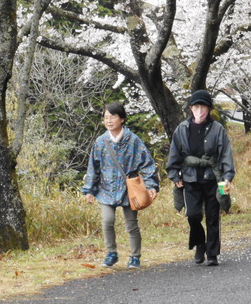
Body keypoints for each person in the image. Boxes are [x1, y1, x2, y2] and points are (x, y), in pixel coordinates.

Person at [82, 102, 159, 269]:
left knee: (131, 223)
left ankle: (135, 256)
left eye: (113, 117)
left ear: (122, 119)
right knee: (107, 221)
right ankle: (111, 253)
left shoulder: (133, 141)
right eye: (106, 118)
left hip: (128, 189)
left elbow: (147, 164)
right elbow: (93, 167)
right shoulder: (101, 142)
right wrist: (89, 190)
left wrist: (152, 185)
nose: (109, 121)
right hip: (106, 188)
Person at [167, 90, 235, 266]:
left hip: (213, 178)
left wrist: (227, 177)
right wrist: (174, 175)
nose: (200, 110)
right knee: (193, 215)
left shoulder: (217, 129)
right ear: (191, 108)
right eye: (196, 106)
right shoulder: (181, 129)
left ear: (209, 109)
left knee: (213, 217)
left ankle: (212, 253)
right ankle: (200, 243)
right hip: (190, 178)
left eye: (203, 106)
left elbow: (225, 154)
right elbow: (174, 154)